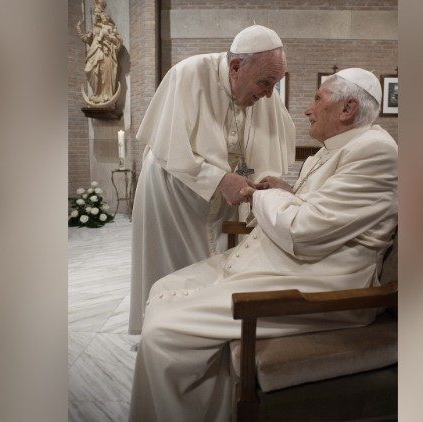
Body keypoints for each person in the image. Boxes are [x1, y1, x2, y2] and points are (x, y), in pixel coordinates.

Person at [129, 68, 398, 421]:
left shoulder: (375, 151)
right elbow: (322, 213)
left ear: (347, 109)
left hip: (321, 285)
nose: (307, 109)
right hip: (289, 266)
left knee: (164, 334)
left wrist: (258, 197)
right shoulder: (330, 152)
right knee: (163, 288)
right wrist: (286, 192)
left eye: (317, 98)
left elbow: (301, 229)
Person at [129, 25, 295, 334]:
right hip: (173, 193)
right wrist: (219, 179)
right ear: (235, 67)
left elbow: (271, 146)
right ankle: (163, 328)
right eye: (265, 83)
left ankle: (201, 328)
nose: (270, 95)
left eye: (276, 84)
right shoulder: (189, 74)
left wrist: (266, 178)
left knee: (214, 265)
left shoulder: (264, 93)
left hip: (223, 199)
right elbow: (169, 147)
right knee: (172, 265)